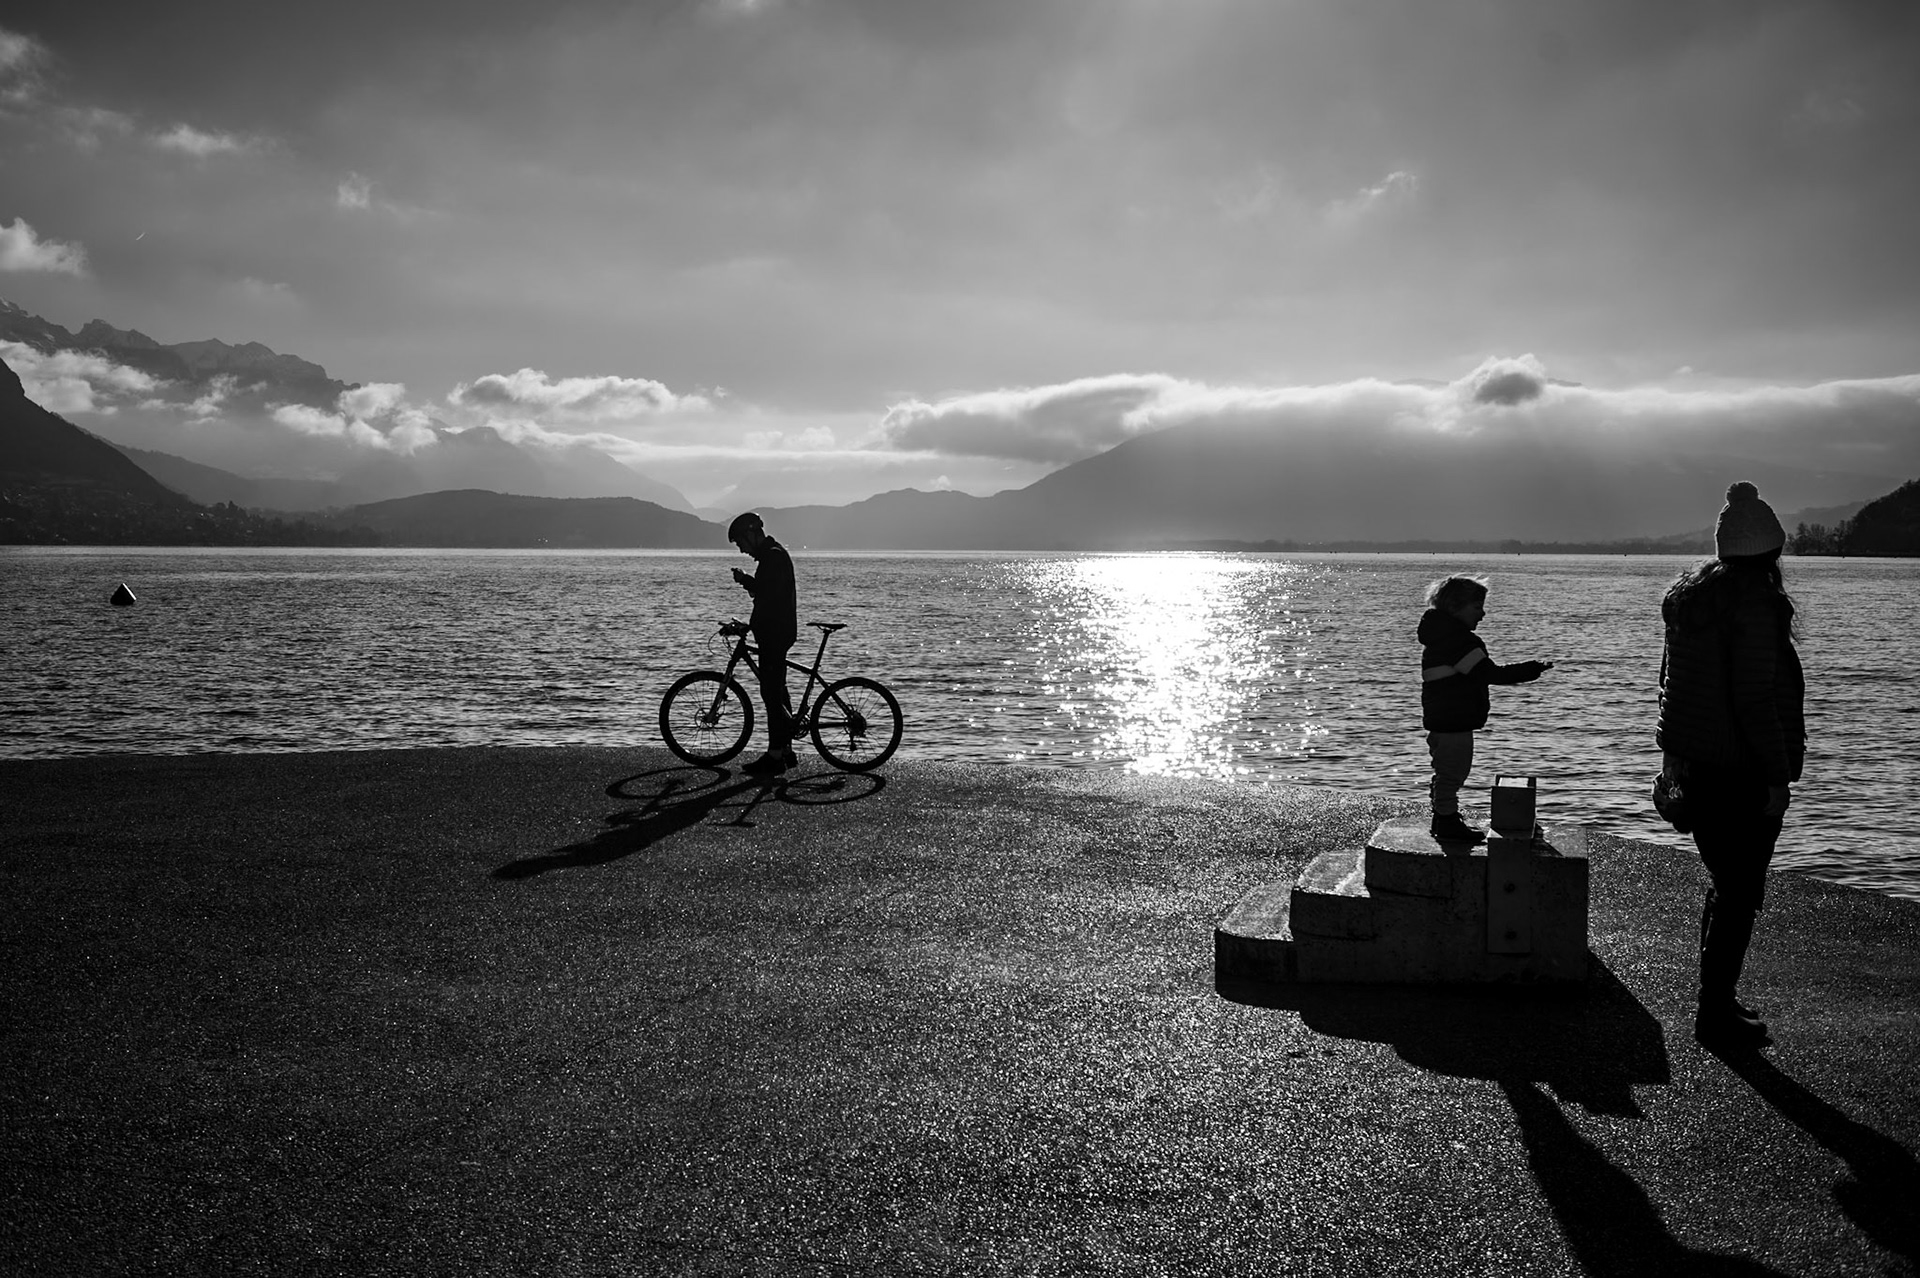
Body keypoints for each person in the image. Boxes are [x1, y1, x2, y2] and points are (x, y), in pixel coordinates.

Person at [1657, 482, 1805, 1049]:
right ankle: (1714, 1013)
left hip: (1696, 764)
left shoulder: (1688, 598)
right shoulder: (1757, 604)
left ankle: (1716, 1000)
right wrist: (1777, 775)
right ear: (1772, 551)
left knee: (1727, 885)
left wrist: (1672, 756)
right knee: (1739, 892)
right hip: (1741, 770)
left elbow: (1669, 685)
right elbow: (1755, 699)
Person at [1417, 575, 1553, 845]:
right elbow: (1490, 674)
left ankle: (1443, 817)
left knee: (1447, 771)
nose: (1482, 613)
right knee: (1453, 773)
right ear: (1456, 607)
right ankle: (1446, 820)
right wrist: (1531, 669)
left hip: (1445, 719)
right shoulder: (1457, 642)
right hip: (1453, 720)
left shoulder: (1442, 638)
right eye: (1477, 607)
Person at [727, 511, 800, 774]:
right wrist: (747, 582)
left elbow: (767, 596)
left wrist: (745, 581)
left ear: (752, 534)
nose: (742, 549)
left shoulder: (773, 557)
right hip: (777, 631)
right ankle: (786, 750)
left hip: (774, 633)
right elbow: (766, 593)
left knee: (770, 694)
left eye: (741, 542)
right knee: (777, 690)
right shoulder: (773, 555)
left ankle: (774, 756)